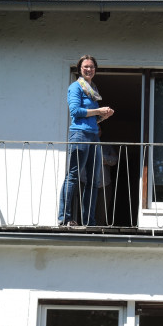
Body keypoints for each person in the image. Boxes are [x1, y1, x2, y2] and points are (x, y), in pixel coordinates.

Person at [58, 55, 114, 226]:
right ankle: (64, 218)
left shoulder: (92, 90)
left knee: (93, 180)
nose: (89, 69)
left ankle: (89, 221)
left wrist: (103, 116)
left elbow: (91, 119)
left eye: (91, 67)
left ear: (95, 69)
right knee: (73, 176)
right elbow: (75, 111)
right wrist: (98, 111)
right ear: (80, 69)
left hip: (93, 135)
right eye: (85, 67)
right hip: (79, 135)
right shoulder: (75, 87)